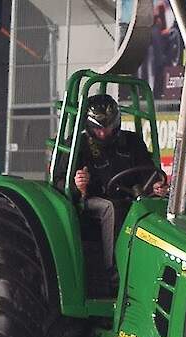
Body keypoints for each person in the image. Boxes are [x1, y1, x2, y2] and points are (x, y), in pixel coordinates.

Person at [60, 94, 169, 274]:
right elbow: (60, 181)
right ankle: (114, 271)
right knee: (111, 208)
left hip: (131, 197)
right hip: (91, 200)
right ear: (89, 126)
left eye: (109, 127)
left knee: (161, 205)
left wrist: (156, 186)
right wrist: (77, 185)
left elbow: (147, 173)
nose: (103, 133)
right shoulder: (77, 145)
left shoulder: (132, 142)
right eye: (98, 129)